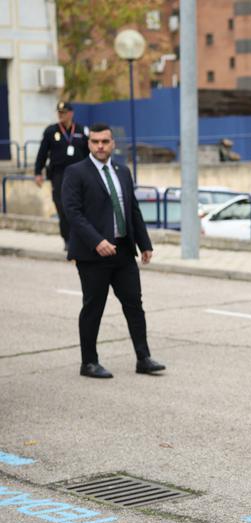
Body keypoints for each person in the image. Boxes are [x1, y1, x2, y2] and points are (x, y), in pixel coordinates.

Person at [61, 123, 165, 380]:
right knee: (93, 307)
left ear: (112, 143)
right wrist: (97, 241)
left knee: (134, 305)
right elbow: (72, 212)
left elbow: (132, 210)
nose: (100, 146)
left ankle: (143, 358)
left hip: (123, 252)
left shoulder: (122, 171)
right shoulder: (76, 172)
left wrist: (145, 243)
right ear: (89, 144)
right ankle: (89, 362)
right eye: (95, 142)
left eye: (105, 142)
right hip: (92, 255)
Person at [34, 102, 89, 246]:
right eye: (59, 112)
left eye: (64, 112)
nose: (61, 115)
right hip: (59, 175)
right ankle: (68, 239)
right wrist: (37, 172)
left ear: (71, 113)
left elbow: (89, 153)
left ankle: (81, 236)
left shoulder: (82, 130)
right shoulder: (51, 131)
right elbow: (42, 153)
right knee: (62, 206)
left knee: (81, 206)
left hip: (79, 175)